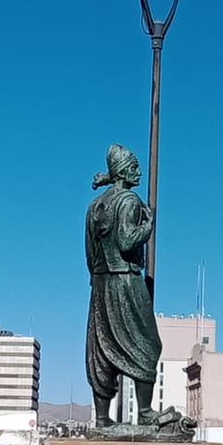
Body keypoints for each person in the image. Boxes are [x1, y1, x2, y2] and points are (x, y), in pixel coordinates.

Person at [85, 144, 163, 428]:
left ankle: (102, 417)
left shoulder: (95, 205)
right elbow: (127, 241)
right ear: (121, 172)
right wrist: (148, 226)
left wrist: (99, 279)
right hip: (126, 280)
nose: (139, 172)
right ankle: (145, 411)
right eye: (134, 167)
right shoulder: (129, 200)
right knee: (148, 344)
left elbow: (89, 252)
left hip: (100, 284)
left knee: (102, 347)